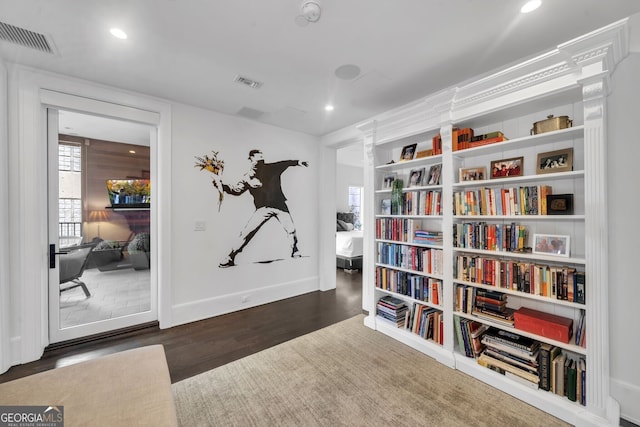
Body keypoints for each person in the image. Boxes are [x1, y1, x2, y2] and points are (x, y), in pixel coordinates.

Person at [211, 150, 308, 268]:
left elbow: (285, 163)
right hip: (262, 208)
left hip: (279, 206)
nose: (261, 160)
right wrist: (221, 186)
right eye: (258, 158)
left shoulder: (272, 168)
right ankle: (230, 257)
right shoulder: (247, 177)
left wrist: (298, 162)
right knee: (246, 233)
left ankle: (295, 250)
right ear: (251, 159)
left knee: (291, 230)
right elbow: (236, 191)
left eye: (262, 158)